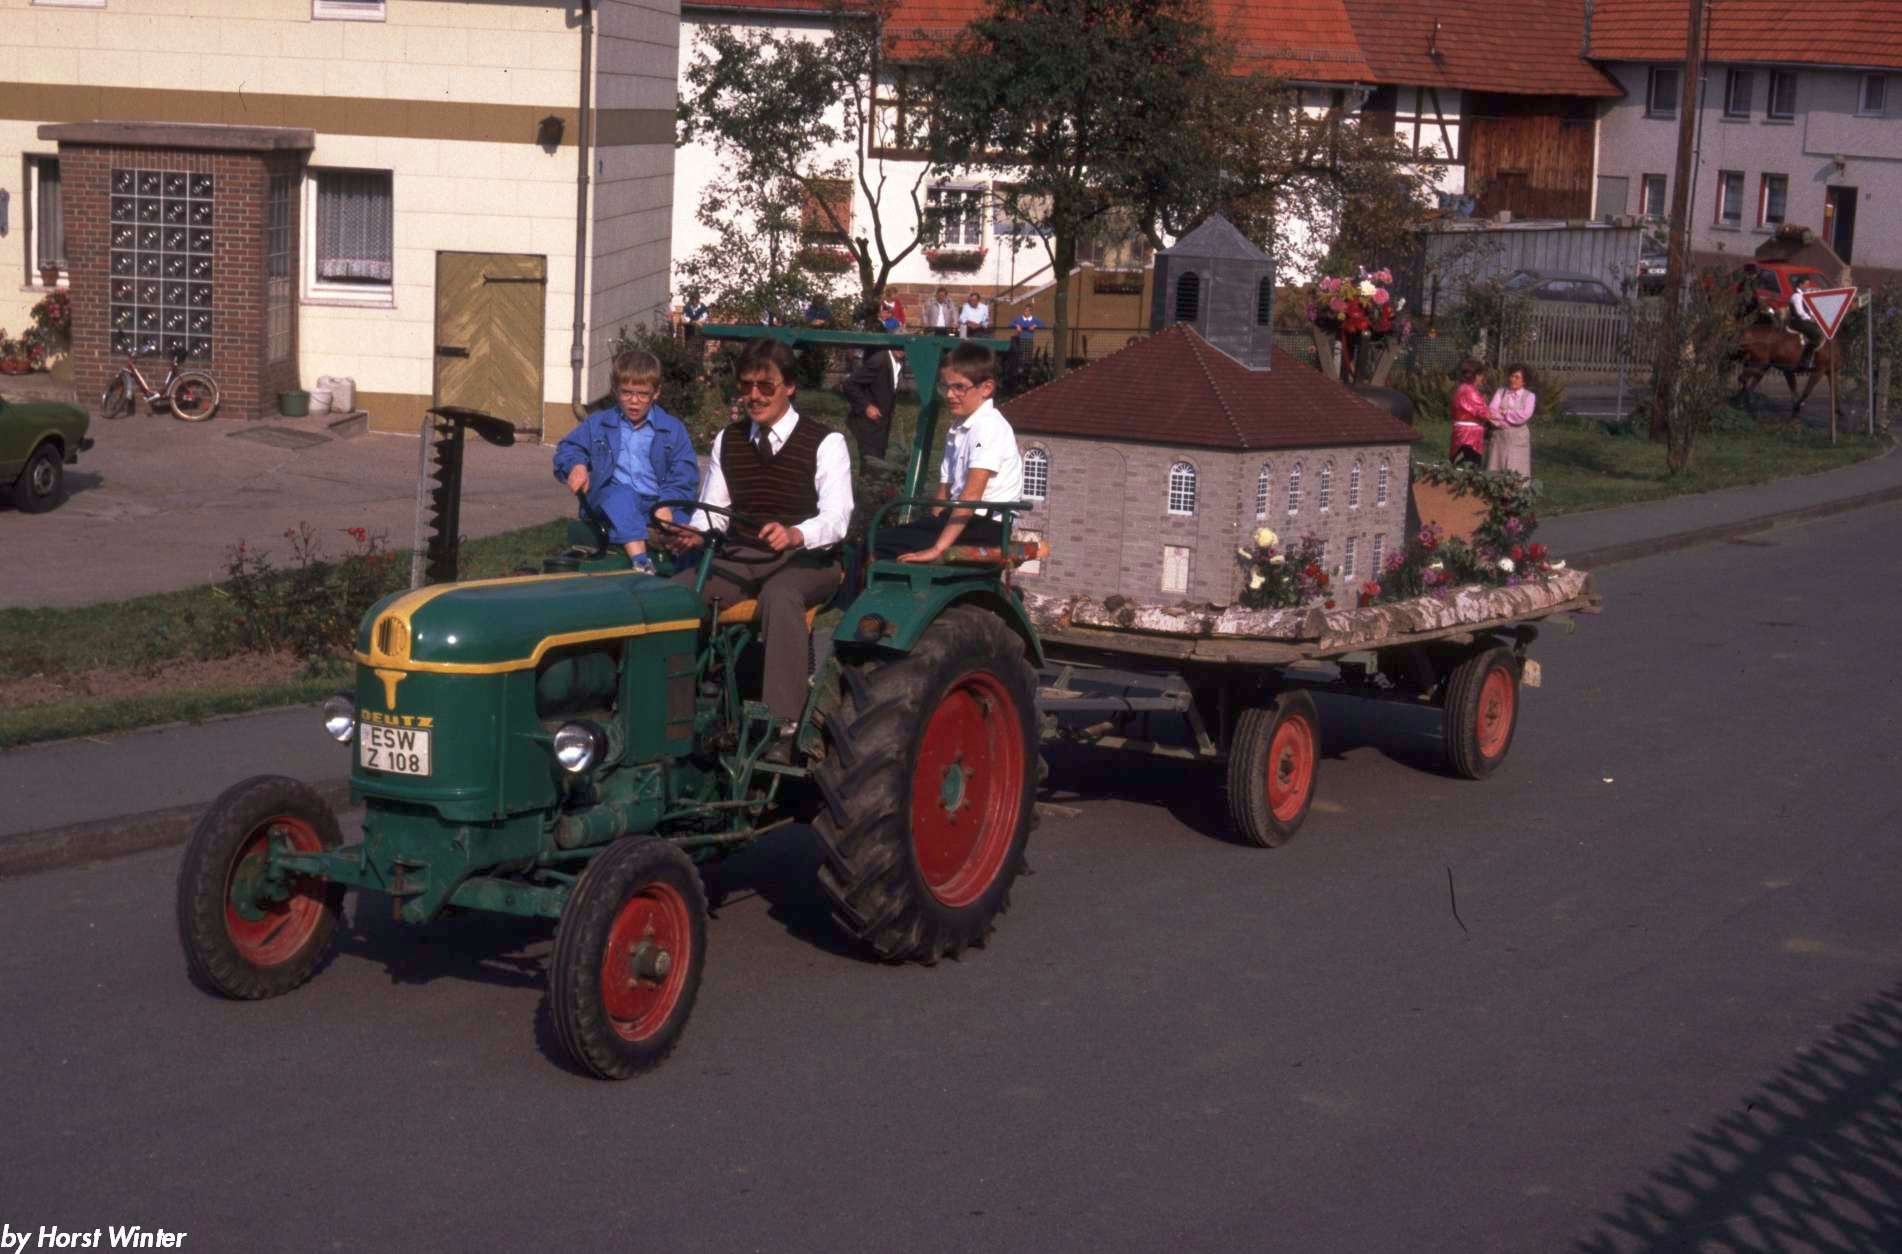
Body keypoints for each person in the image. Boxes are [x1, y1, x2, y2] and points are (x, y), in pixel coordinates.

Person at [660, 338, 852, 755]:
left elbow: (838, 518)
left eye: (766, 386)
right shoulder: (728, 440)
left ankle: (782, 728)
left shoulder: (825, 442)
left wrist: (796, 533)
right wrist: (696, 533)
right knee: (674, 597)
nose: (754, 396)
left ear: (790, 387)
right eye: (746, 385)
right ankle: (670, 713)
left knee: (780, 596)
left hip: (808, 561)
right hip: (741, 557)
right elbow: (714, 512)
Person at [552, 349, 702, 574]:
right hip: (610, 500)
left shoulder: (672, 429)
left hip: (656, 502)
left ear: (656, 393)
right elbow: (568, 448)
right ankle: (641, 562)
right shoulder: (599, 424)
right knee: (622, 495)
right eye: (627, 393)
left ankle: (685, 575)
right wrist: (576, 465)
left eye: (642, 394)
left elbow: (685, 475)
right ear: (615, 390)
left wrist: (667, 504)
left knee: (686, 529)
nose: (634, 401)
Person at [871, 342, 1023, 562]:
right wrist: (932, 523)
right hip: (958, 520)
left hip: (984, 527)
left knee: (878, 543)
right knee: (877, 539)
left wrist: (937, 549)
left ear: (986, 388)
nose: (950, 395)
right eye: (946, 387)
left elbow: (971, 496)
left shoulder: (988, 428)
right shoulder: (959, 428)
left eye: (959, 387)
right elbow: (944, 491)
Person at [842, 345, 904, 465]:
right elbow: (849, 384)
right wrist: (866, 406)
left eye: (904, 347)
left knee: (876, 464)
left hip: (881, 426)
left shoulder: (898, 363)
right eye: (899, 345)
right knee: (871, 466)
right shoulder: (879, 360)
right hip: (867, 425)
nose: (901, 349)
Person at [1485, 363, 1536, 477]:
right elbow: (1492, 411)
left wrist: (1505, 412)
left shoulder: (1529, 396)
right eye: (1511, 376)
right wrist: (1502, 422)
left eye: (1517, 377)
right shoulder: (1501, 392)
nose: (1512, 379)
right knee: (1496, 466)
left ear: (1524, 381)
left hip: (1518, 438)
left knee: (1517, 469)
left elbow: (1524, 416)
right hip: (1500, 436)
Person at [1449, 358, 1489, 467]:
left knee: (1456, 462)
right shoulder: (1472, 392)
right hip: (1471, 435)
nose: (1482, 378)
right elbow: (1484, 413)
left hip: (1459, 431)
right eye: (1481, 375)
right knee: (1470, 465)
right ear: (1476, 375)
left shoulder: (1459, 389)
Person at [1788, 275, 1823, 369]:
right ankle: (1805, 359)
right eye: (1806, 284)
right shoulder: (1796, 296)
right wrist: (1810, 319)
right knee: (1816, 334)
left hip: (1804, 320)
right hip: (1797, 321)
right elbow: (1800, 312)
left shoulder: (1804, 295)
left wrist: (1815, 317)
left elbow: (1809, 310)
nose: (1808, 286)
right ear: (1800, 284)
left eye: (1808, 284)